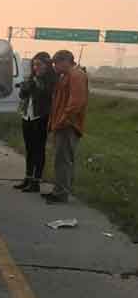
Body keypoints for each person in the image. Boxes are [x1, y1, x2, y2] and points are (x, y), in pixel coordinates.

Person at [43, 49, 89, 204]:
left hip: (68, 125)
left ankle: (61, 193)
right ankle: (60, 190)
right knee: (60, 159)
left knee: (63, 160)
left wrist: (62, 120)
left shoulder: (76, 75)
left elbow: (76, 102)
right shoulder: (66, 76)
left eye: (56, 63)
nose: (54, 67)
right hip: (62, 124)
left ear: (65, 62)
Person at [13, 52, 56, 192]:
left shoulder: (51, 80)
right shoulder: (32, 78)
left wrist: (35, 83)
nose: (36, 67)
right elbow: (22, 96)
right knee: (29, 149)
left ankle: (36, 181)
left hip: (41, 117)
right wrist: (25, 88)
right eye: (34, 64)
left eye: (39, 64)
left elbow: (46, 95)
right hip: (27, 116)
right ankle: (28, 178)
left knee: (39, 150)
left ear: (47, 66)